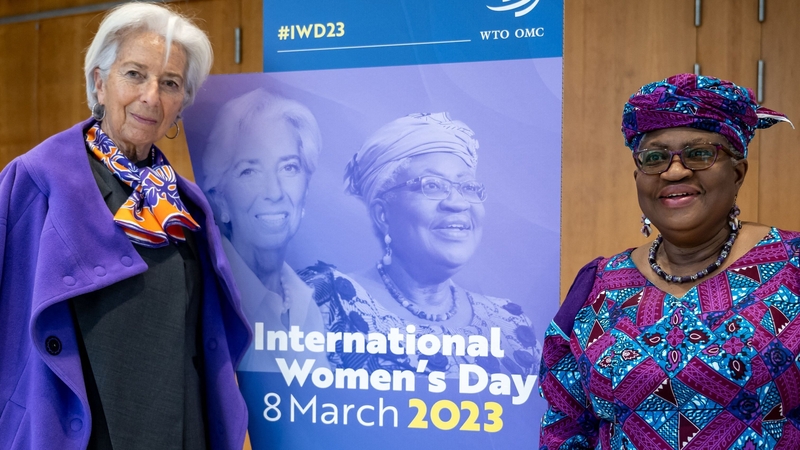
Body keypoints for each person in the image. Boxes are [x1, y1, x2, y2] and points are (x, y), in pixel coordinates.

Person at [0, 4, 250, 449]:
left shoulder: (187, 206)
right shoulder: (34, 181)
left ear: (181, 105)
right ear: (100, 81)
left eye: (170, 83)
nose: (151, 96)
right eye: (135, 74)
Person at [538, 73, 797, 449]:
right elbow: (565, 423)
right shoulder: (598, 285)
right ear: (638, 177)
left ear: (738, 172)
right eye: (655, 158)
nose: (675, 171)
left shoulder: (791, 268)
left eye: (700, 153)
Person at [301, 112, 540, 377]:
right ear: (383, 214)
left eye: (468, 187)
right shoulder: (325, 301)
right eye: (433, 185)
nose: (458, 202)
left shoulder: (509, 325)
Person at [200, 89, 329, 372]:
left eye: (289, 168)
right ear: (220, 198)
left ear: (306, 188)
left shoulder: (307, 302)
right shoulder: (203, 296)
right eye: (249, 171)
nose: (274, 192)